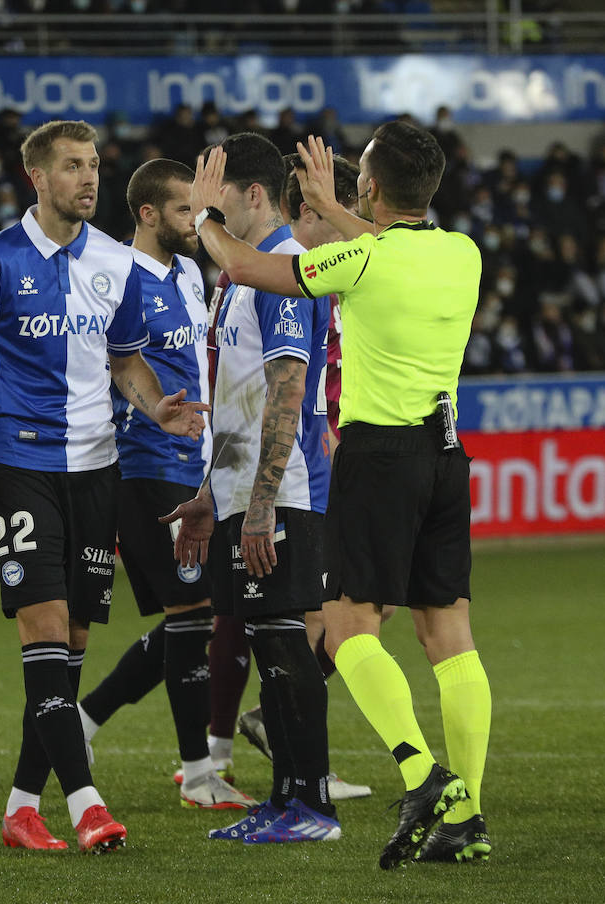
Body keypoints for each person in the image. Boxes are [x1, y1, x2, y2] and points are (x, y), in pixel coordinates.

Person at [190, 124, 489, 867]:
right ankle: (467, 815)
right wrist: (342, 201)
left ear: (372, 190)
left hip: (380, 458)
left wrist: (203, 221)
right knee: (449, 636)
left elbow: (251, 266)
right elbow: (392, 245)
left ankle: (423, 777)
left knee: (350, 627)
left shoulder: (350, 261)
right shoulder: (463, 253)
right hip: (450, 458)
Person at [0, 120, 207, 853]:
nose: (89, 179)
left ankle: (23, 806)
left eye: (93, 165)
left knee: (74, 641)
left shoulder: (115, 262)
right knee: (45, 628)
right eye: (73, 167)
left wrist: (159, 407)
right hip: (17, 462)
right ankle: (86, 802)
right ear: (38, 178)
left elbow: (126, 362)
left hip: (97, 467)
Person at [168, 131, 339, 845]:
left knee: (286, 647)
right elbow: (237, 398)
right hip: (241, 492)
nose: (205, 215)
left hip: (282, 493)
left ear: (255, 195)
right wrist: (214, 493)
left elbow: (287, 390)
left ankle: (313, 806)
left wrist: (264, 502)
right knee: (270, 647)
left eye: (218, 199)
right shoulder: (243, 280)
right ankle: (286, 799)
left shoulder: (287, 271)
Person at [75, 158, 255, 812]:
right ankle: (199, 774)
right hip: (142, 463)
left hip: (194, 462)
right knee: (193, 614)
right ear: (148, 214)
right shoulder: (114, 279)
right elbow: (110, 369)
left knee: (196, 614)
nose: (195, 222)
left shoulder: (186, 271)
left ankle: (86, 719)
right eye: (184, 211)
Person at [227, 152, 376, 803]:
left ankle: (299, 779)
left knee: (328, 615)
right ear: (308, 206)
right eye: (341, 216)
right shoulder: (289, 274)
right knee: (307, 620)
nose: (353, 231)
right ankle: (296, 779)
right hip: (297, 471)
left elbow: (301, 386)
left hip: (304, 471)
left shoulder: (319, 279)